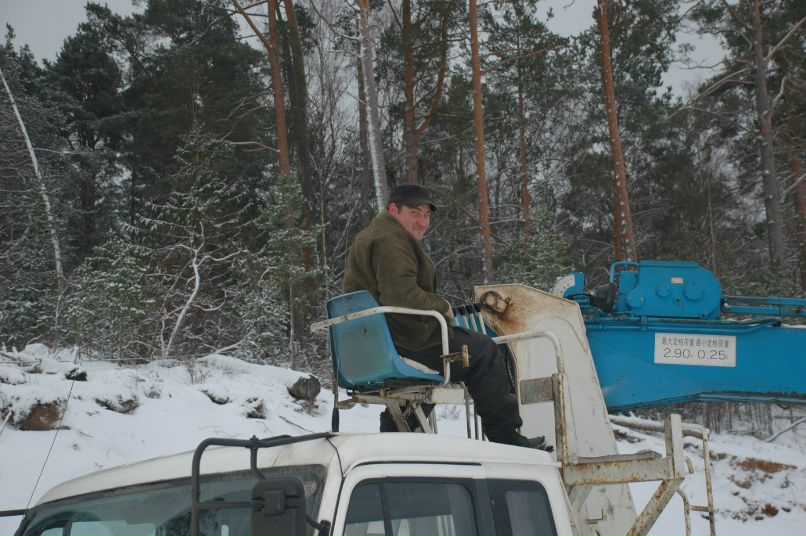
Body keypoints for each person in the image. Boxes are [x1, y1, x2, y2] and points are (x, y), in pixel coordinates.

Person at [343, 184, 547, 449]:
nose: (422, 222)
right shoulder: (390, 240)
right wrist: (442, 307)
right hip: (403, 340)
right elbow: (400, 294)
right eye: (415, 213)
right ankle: (508, 440)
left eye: (427, 215)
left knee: (435, 371)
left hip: (377, 341)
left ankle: (396, 444)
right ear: (394, 209)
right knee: (484, 352)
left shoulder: (374, 235)